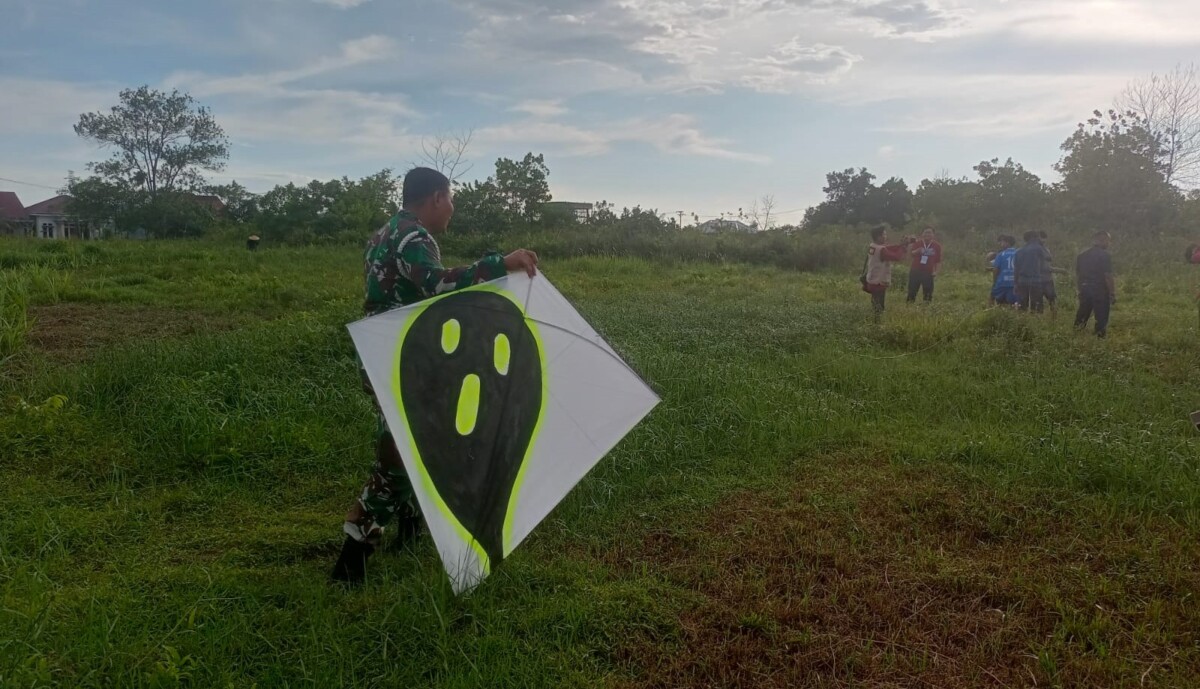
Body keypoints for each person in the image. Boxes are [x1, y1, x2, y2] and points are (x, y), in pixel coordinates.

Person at [332, 167, 540, 585]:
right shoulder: (414, 237)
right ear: (436, 198)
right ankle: (355, 549)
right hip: (400, 361)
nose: (452, 210)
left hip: (383, 355)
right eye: (451, 200)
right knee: (404, 451)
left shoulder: (384, 232)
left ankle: (410, 529)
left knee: (407, 440)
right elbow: (436, 285)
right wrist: (501, 264)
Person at [862, 225, 912, 322]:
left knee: (875, 302)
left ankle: (875, 320)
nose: (886, 236)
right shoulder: (881, 250)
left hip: (872, 280)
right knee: (879, 306)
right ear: (878, 237)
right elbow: (897, 257)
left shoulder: (872, 246)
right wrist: (903, 247)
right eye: (884, 234)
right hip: (878, 282)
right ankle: (876, 323)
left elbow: (888, 247)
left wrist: (901, 245)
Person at [1074, 231, 1115, 338]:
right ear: (1103, 240)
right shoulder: (1105, 255)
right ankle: (1099, 340)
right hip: (1099, 290)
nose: (1109, 244)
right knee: (1101, 318)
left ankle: (1075, 337)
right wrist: (1112, 293)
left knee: (1082, 315)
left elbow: (1078, 275)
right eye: (1108, 241)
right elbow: (1107, 276)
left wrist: (1079, 289)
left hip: (1084, 288)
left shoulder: (1081, 255)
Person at [1014, 230, 1051, 313]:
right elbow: (1049, 257)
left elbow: (1016, 270)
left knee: (1022, 306)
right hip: (1035, 281)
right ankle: (1036, 323)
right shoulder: (1038, 248)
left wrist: (1015, 284)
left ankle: (1022, 323)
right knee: (1037, 306)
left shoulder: (1018, 252)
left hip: (1022, 281)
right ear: (1034, 238)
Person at [906, 227, 942, 303]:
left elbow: (938, 261)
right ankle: (908, 309)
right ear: (922, 234)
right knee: (911, 292)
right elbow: (910, 254)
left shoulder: (937, 246)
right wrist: (917, 251)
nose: (927, 234)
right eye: (925, 232)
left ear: (933, 235)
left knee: (928, 294)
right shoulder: (917, 243)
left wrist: (936, 272)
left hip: (928, 272)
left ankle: (925, 311)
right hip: (915, 271)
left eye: (929, 232)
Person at [988, 235, 1018, 306]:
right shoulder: (1018, 253)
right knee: (1014, 304)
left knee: (994, 298)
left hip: (1002, 283)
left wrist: (995, 282)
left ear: (1007, 243)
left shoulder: (1000, 254)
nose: (1000, 244)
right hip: (1014, 283)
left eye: (1002, 242)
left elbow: (996, 269)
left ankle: (990, 311)